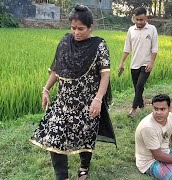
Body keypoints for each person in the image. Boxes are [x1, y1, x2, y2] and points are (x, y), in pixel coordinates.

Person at [30, 5, 116, 180]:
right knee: (54, 136)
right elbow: (56, 69)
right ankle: (62, 176)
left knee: (85, 136)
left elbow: (105, 75)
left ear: (90, 27)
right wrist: (46, 89)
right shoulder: (65, 42)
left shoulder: (99, 45)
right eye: (73, 28)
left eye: (81, 29)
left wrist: (98, 99)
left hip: (87, 102)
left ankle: (84, 166)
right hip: (63, 102)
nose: (76, 32)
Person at [118, 7, 158, 118]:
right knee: (137, 88)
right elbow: (127, 48)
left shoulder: (152, 29)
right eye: (137, 20)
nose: (139, 22)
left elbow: (154, 49)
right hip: (134, 64)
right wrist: (121, 63)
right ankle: (141, 103)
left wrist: (151, 63)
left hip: (146, 64)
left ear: (146, 18)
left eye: (141, 20)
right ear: (134, 18)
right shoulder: (131, 30)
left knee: (140, 85)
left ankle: (133, 110)